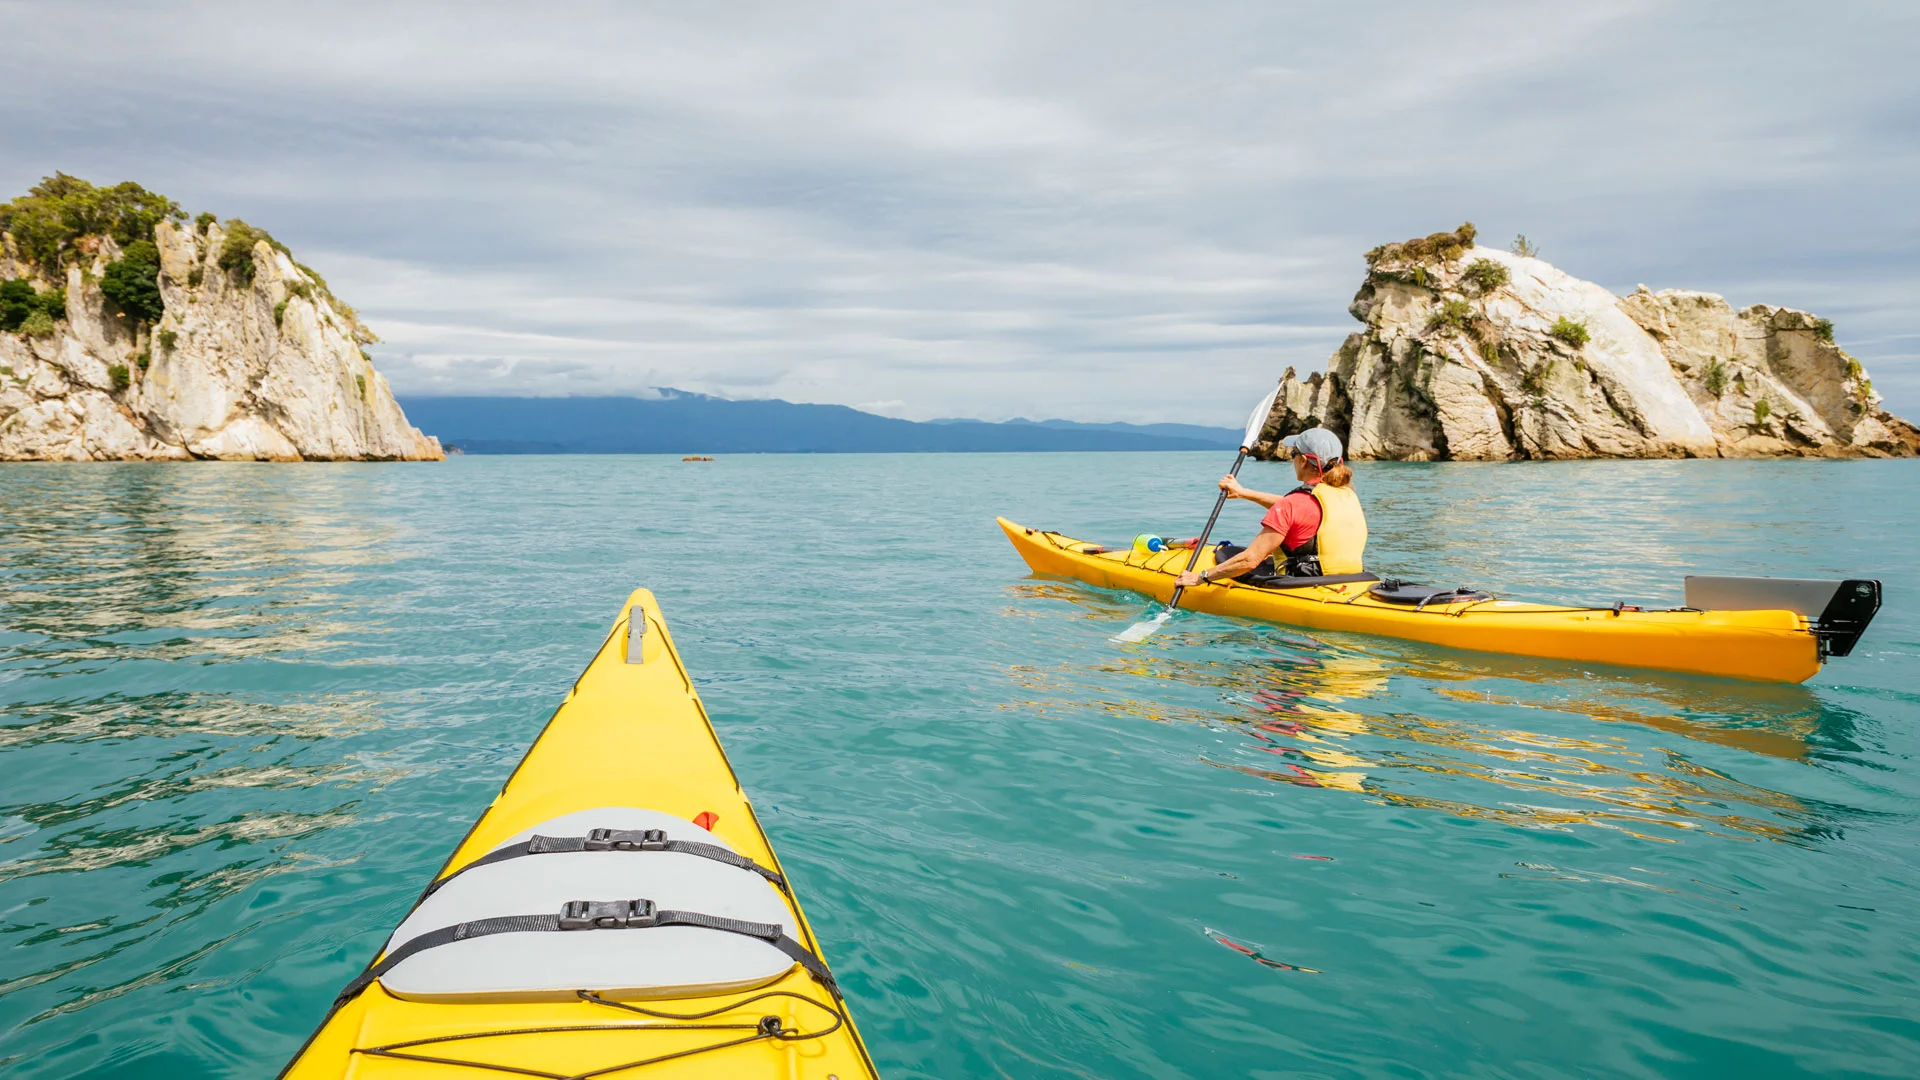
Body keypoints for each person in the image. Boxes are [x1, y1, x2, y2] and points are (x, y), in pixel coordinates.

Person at [1173, 427, 1368, 588]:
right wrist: (1243, 492)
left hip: (1300, 585)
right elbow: (1293, 508)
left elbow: (1249, 560)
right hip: (1351, 581)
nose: (1293, 459)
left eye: (1294, 454)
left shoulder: (1294, 504)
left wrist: (1201, 577)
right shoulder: (1345, 494)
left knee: (1231, 557)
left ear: (1302, 460)